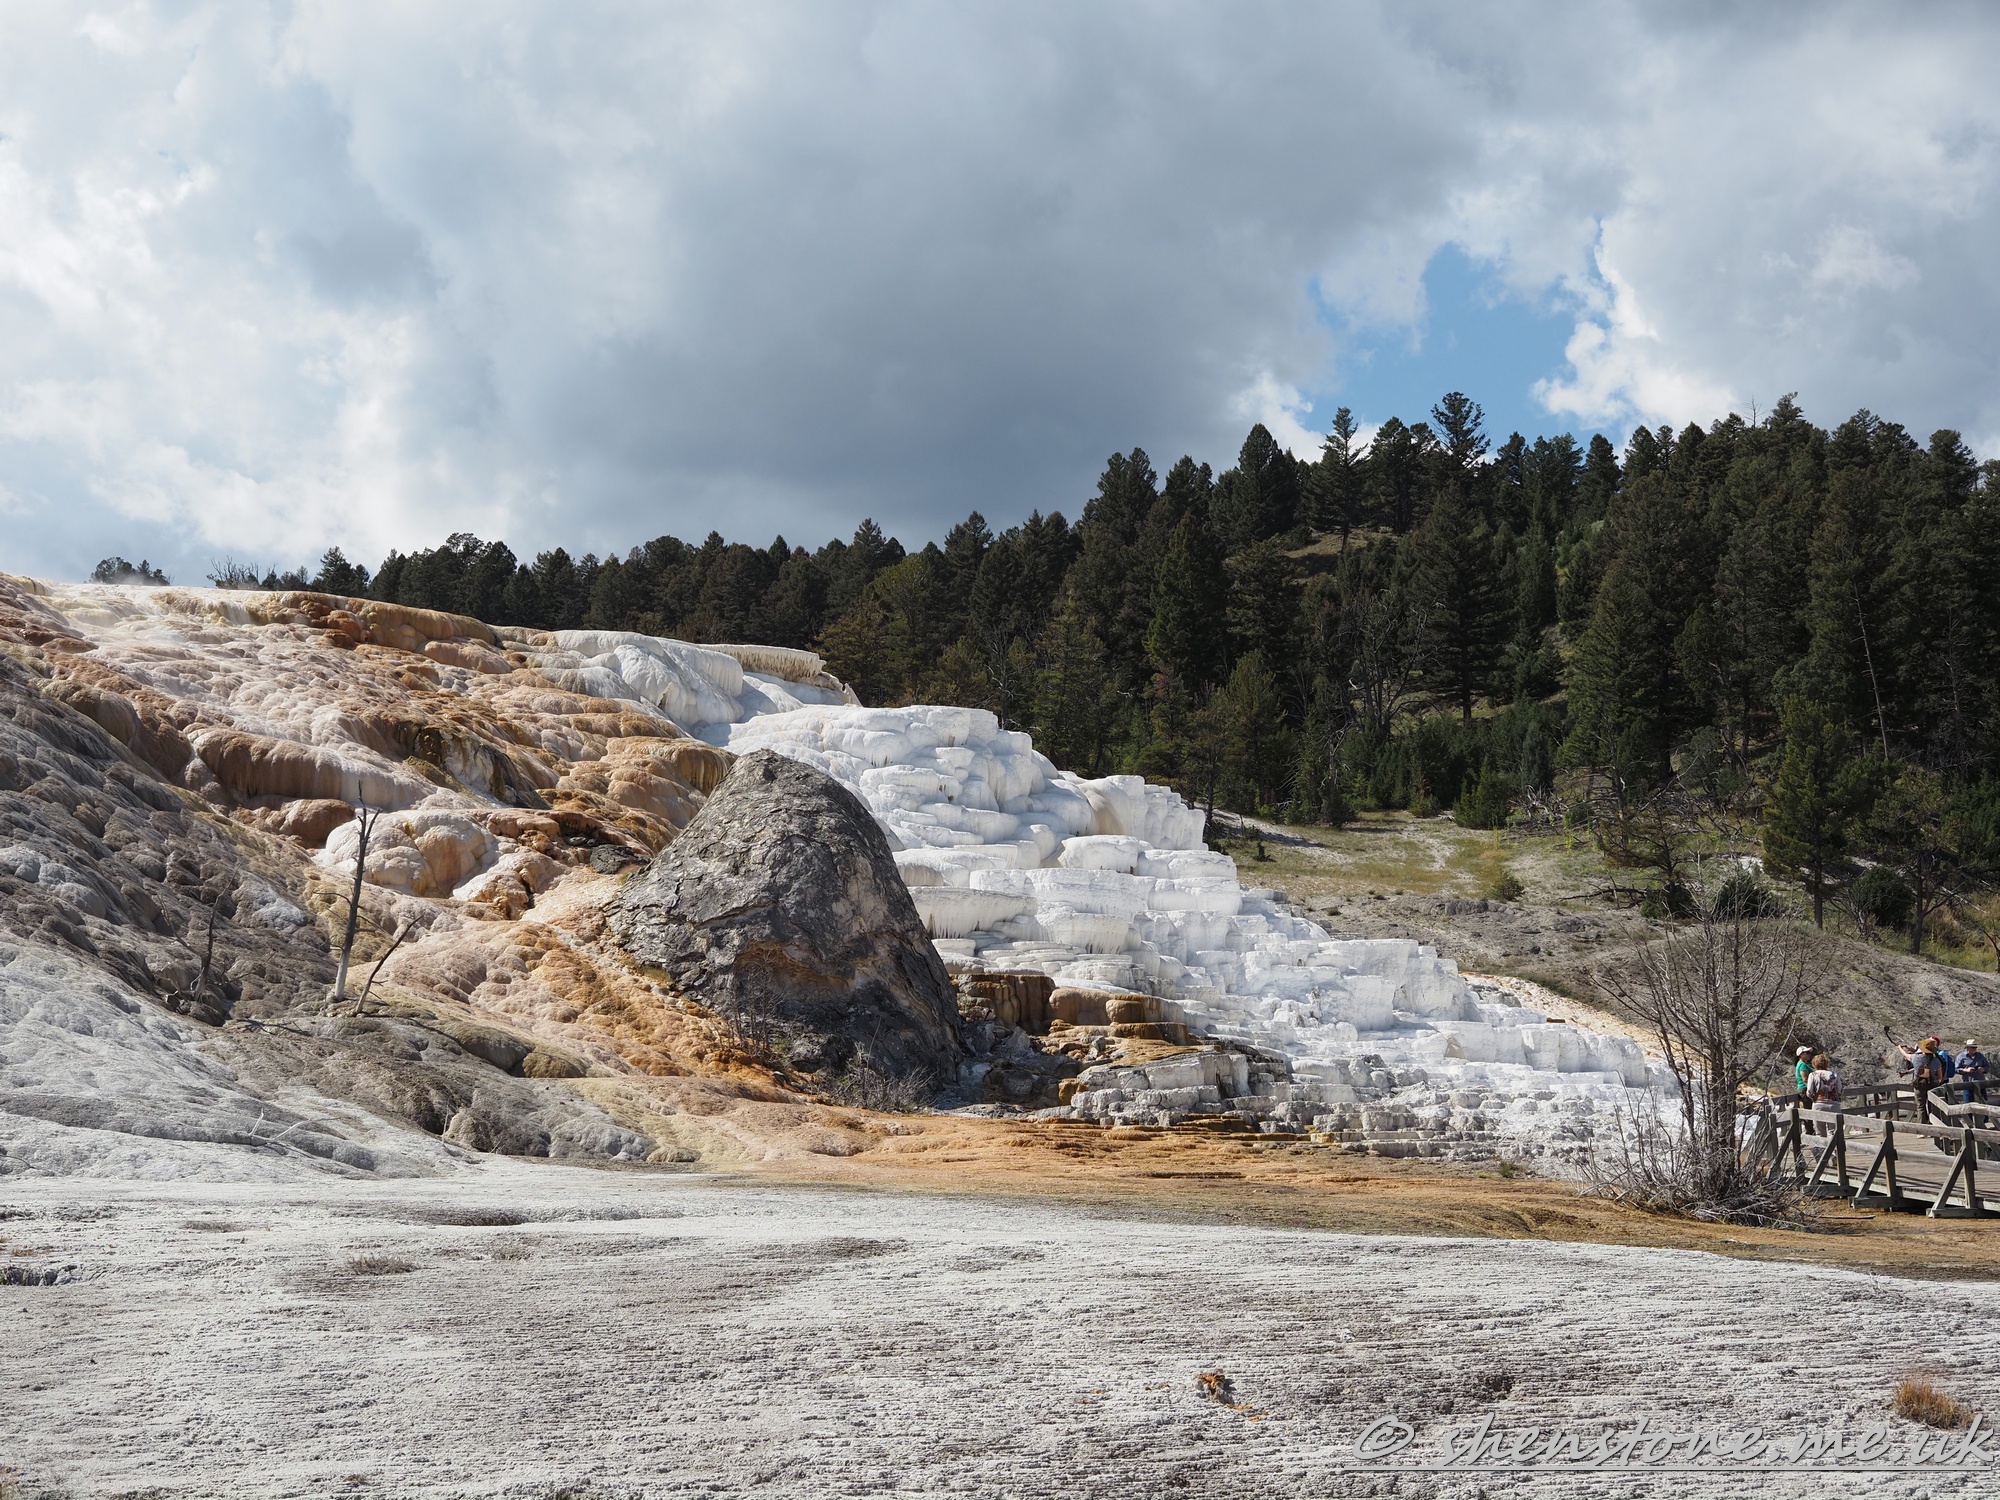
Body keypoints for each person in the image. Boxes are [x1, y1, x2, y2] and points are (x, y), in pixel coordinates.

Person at [1901, 1037, 1951, 1120]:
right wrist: (1936, 1083)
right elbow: (1940, 1077)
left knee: (1920, 1107)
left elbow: (1905, 1055)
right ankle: (1934, 1124)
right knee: (1933, 1106)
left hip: (1919, 1085)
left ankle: (1922, 1127)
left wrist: (1899, 1048)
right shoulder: (1936, 1061)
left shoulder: (1916, 1058)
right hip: (1933, 1086)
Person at [1956, 1039, 1989, 1103]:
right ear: (1967, 1048)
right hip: (1967, 1084)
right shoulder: (1961, 1057)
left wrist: (1983, 1069)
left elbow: (1987, 1066)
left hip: (1980, 1083)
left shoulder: (1980, 1056)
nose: (1974, 1049)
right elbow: (1956, 1069)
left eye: (1975, 1047)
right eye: (1972, 1047)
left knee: (1983, 1104)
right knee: (1968, 1104)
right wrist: (1966, 1070)